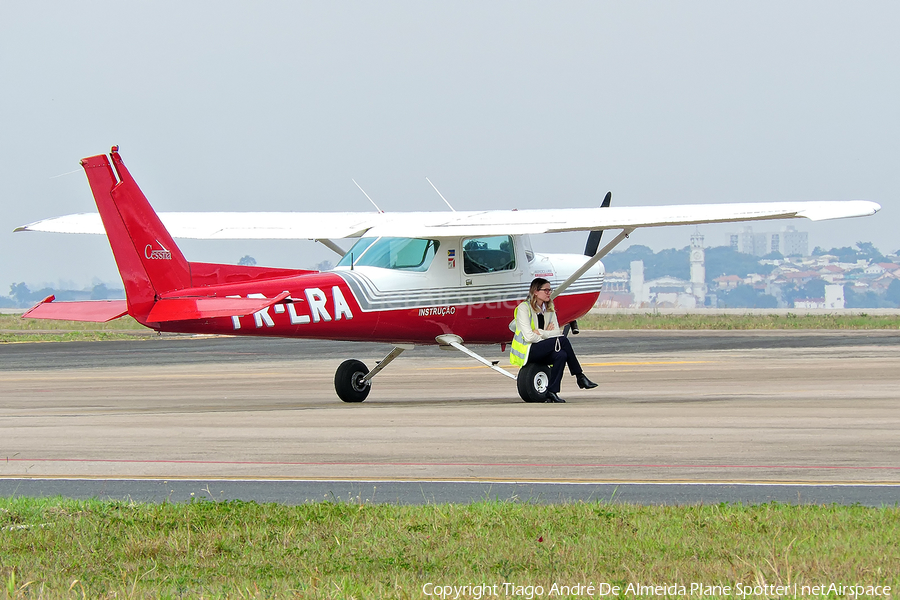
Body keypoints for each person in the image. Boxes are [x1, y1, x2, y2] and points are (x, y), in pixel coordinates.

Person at [509, 277, 598, 403]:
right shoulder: (524, 309)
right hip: (528, 350)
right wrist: (548, 335)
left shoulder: (549, 309)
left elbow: (557, 332)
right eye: (545, 290)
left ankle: (552, 392)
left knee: (561, 354)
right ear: (535, 292)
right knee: (563, 342)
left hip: (543, 348)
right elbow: (529, 336)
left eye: (550, 290)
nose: (549, 293)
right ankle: (579, 376)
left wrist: (541, 333)